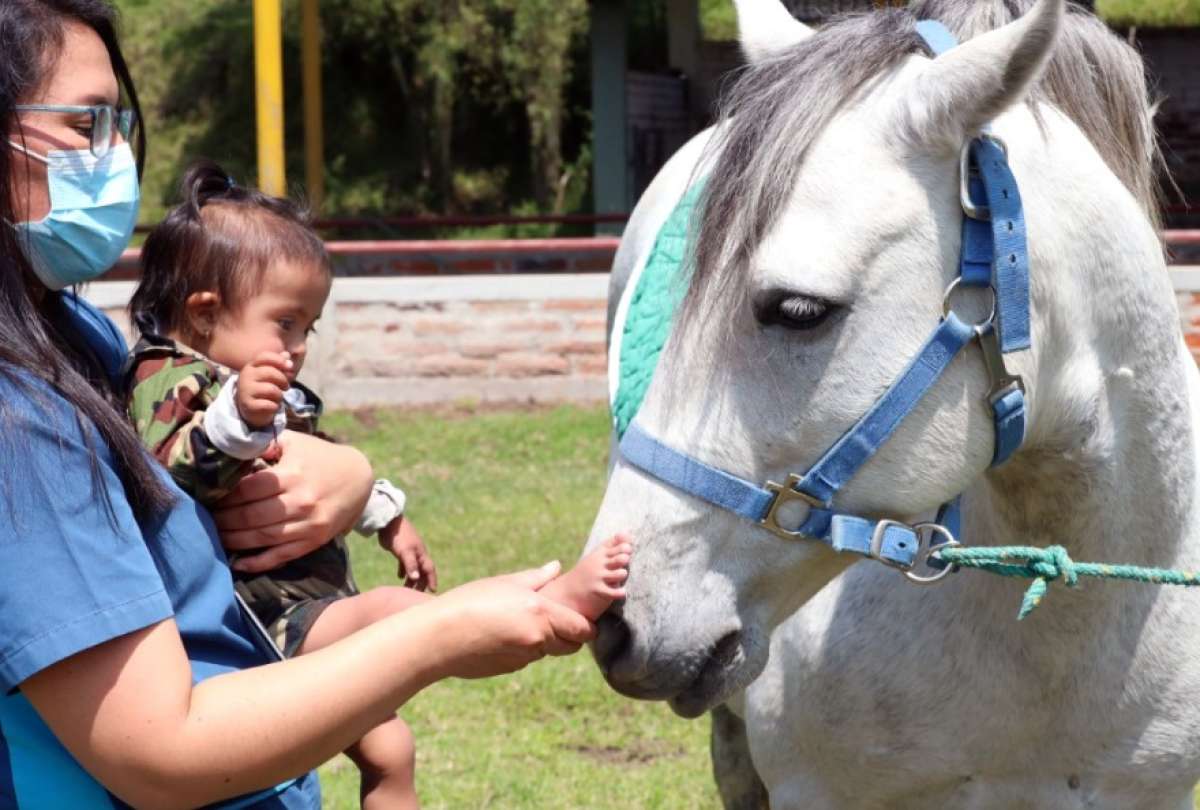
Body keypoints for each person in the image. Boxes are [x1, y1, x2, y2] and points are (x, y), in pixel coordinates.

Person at [0, 2, 615, 807]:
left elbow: (169, 458)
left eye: (120, 121)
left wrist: (349, 477)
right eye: (86, 123)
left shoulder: (70, 329)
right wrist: (439, 634)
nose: (113, 153)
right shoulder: (19, 417)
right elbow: (159, 748)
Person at [122, 161, 633, 809]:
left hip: (303, 602)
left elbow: (316, 462)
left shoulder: (254, 379)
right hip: (264, 615)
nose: (301, 344)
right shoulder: (168, 378)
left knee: (393, 752)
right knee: (396, 617)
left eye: (309, 326)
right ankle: (540, 599)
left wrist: (384, 513)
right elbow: (174, 465)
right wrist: (237, 419)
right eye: (286, 322)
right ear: (202, 314)